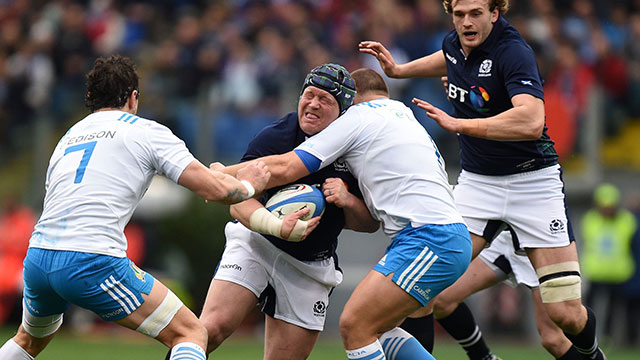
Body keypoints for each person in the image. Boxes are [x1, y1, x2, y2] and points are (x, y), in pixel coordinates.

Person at [359, 0, 607, 359]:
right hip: (478, 185)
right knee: (426, 287)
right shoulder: (456, 43)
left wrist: (461, 124)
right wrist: (399, 71)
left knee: (563, 316)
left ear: (495, 12)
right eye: (459, 15)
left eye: (476, 13)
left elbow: (532, 121)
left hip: (533, 185)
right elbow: (448, 56)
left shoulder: (513, 51)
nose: (466, 22)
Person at [0, 54, 271, 360]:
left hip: (38, 258)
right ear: (133, 97)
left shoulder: (67, 137)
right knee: (191, 333)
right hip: (91, 259)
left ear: (90, 98)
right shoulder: (144, 131)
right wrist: (252, 185)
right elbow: (217, 190)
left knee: (27, 341)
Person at [220, 67, 472, 360]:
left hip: (429, 237)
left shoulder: (358, 117)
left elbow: (287, 167)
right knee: (379, 329)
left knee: (354, 326)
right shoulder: (402, 115)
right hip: (438, 235)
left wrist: (217, 176)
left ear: (349, 102)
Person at [197, 63, 380, 360]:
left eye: (326, 100)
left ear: (343, 113)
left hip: (310, 266)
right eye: (309, 94)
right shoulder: (277, 137)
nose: (313, 104)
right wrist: (273, 225)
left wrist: (348, 200)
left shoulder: (357, 152)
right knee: (211, 328)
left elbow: (370, 224)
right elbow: (238, 201)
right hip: (256, 244)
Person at [408, 231, 582, 360]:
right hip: (500, 234)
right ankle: (484, 357)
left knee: (553, 340)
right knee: (438, 298)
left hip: (535, 235)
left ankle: (594, 355)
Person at [581, 183, 637, 344]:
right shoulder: (590, 219)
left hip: (618, 273)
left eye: (610, 206)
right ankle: (588, 336)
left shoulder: (627, 220)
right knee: (589, 308)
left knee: (614, 310)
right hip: (596, 272)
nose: (607, 210)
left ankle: (608, 337)